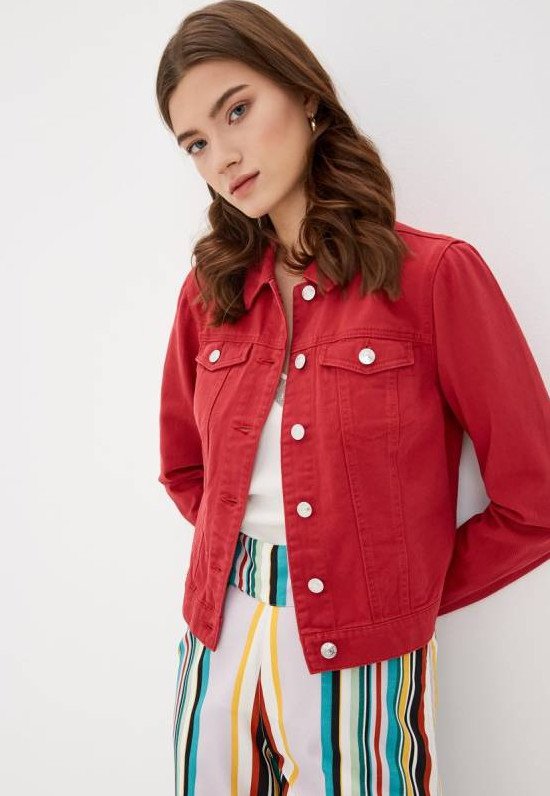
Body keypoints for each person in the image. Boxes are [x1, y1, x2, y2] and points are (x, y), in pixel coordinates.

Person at [155, 2, 550, 793]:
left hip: (360, 654)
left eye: (237, 110)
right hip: (214, 637)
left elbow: (536, 497)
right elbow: (183, 468)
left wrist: (399, 593)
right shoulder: (209, 295)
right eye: (195, 143)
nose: (222, 156)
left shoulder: (433, 278)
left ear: (305, 95)